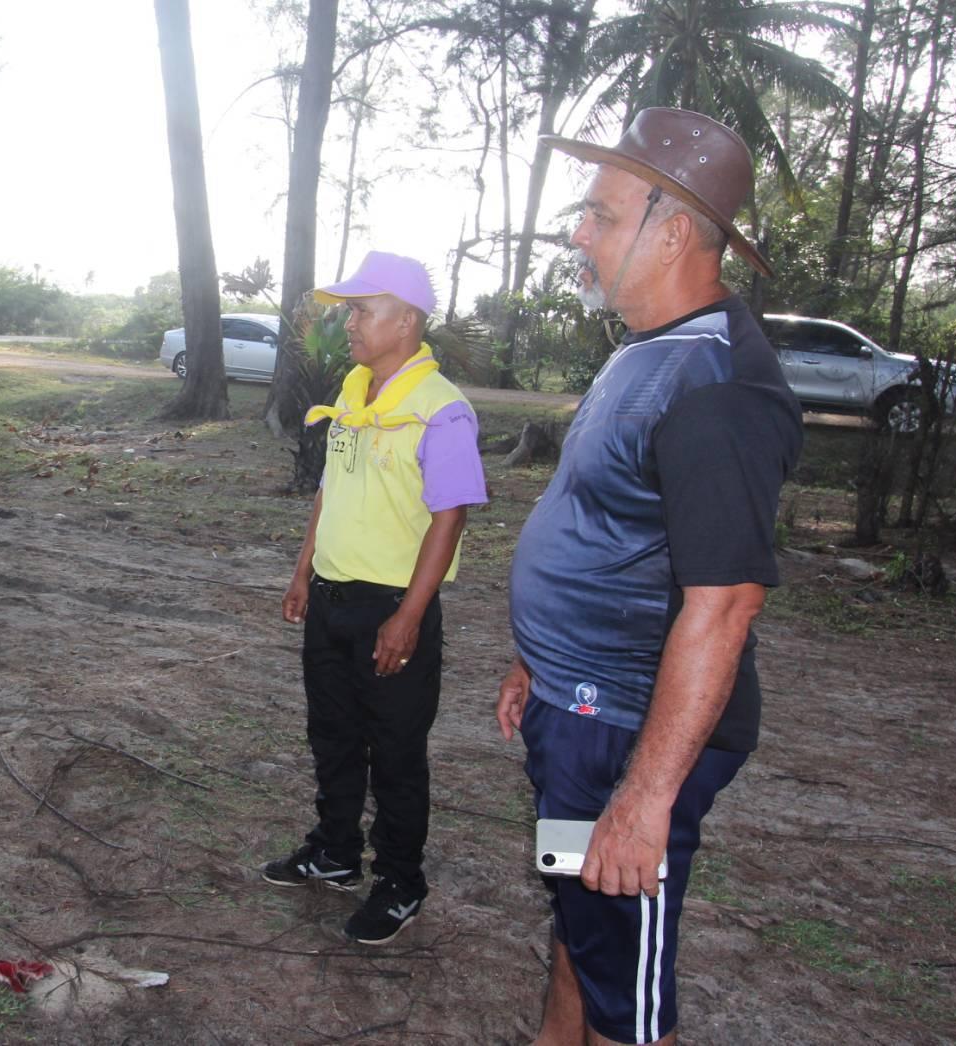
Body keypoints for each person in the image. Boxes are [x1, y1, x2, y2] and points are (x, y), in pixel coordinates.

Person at [496, 109, 803, 1045]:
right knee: (582, 920)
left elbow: (725, 605)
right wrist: (538, 658)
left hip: (626, 729)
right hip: (580, 702)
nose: (576, 234)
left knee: (626, 992)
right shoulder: (649, 347)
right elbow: (609, 524)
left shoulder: (715, 389)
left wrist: (643, 797)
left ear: (669, 233)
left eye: (598, 214)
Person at [264, 251, 489, 945]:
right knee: (331, 734)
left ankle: (399, 881)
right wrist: (303, 572)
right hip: (331, 597)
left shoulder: (441, 409)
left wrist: (409, 616)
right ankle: (334, 851)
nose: (351, 323)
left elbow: (450, 516)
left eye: (363, 310)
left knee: (394, 750)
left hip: (391, 607)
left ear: (407, 320)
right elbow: (330, 490)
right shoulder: (354, 394)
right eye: (351, 310)